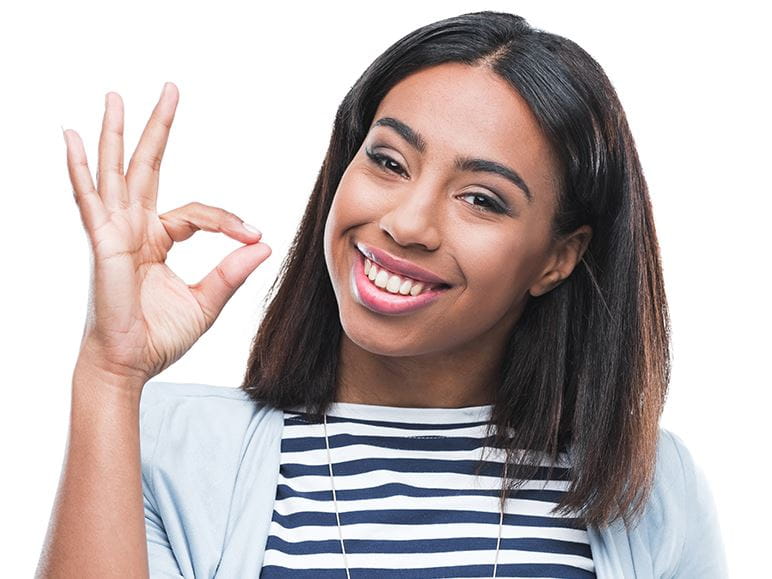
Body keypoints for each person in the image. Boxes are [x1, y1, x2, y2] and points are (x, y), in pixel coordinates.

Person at [36, 10, 728, 579]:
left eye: (482, 199)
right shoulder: (172, 443)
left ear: (556, 257)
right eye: (389, 161)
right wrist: (110, 372)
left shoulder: (647, 491)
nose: (407, 222)